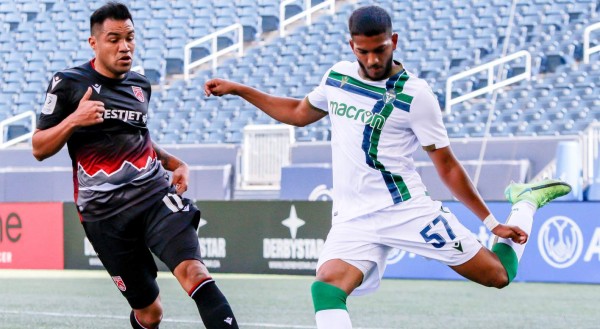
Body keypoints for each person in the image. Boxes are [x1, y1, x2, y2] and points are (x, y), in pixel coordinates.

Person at [204, 5, 572, 328]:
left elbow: (446, 166)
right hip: (353, 217)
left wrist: (492, 223)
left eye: (379, 49)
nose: (372, 60)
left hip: (406, 210)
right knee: (326, 287)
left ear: (393, 40)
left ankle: (525, 202)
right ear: (352, 46)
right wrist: (239, 89)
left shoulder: (416, 95)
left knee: (498, 276)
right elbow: (299, 114)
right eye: (363, 51)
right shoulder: (338, 77)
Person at [32, 2, 238, 329]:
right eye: (114, 39)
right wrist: (74, 119)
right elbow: (39, 147)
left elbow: (138, 138)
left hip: (153, 195)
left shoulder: (140, 85)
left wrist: (174, 162)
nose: (124, 46)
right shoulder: (69, 84)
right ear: (94, 43)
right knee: (150, 313)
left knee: (194, 272)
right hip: (103, 215)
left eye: (130, 37)